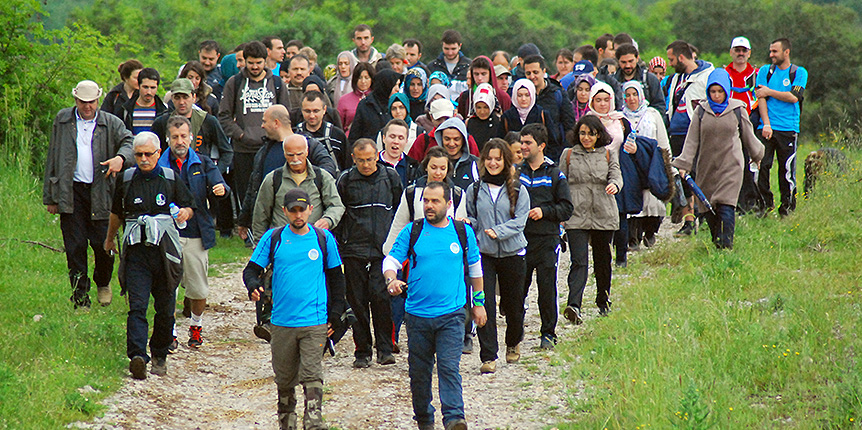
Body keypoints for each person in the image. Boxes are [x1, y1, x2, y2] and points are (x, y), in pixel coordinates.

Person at [383, 180, 486, 430]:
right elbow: (391, 260)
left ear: (448, 204)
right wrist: (391, 280)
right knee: (419, 374)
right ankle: (425, 420)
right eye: (426, 201)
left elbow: (475, 268)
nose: (429, 206)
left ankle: (454, 419)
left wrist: (479, 304)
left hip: (452, 315)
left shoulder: (463, 232)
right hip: (417, 317)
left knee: (449, 367)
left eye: (435, 201)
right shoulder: (412, 231)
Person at [242, 188, 347, 430]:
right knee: (285, 378)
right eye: (293, 210)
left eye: (302, 209)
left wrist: (336, 315)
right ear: (285, 212)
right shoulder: (273, 238)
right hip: (281, 322)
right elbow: (250, 270)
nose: (298, 215)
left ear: (311, 209)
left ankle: (313, 422)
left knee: (312, 373)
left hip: (315, 321)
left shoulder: (324, 239)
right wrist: (254, 286)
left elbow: (337, 278)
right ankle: (286, 423)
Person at [104, 132, 195, 379]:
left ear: (158, 153)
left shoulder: (170, 179)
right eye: (139, 154)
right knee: (137, 306)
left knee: (165, 310)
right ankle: (137, 356)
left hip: (165, 255)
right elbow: (116, 213)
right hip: (136, 254)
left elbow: (189, 205)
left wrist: (184, 213)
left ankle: (159, 354)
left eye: (148, 154)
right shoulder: (126, 180)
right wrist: (110, 238)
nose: (143, 159)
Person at [43, 80, 135, 309]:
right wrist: (51, 197)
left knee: (104, 245)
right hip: (71, 191)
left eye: (91, 102)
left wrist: (120, 159)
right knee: (74, 247)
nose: (87, 107)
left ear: (98, 101)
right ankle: (80, 298)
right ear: (76, 100)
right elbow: (52, 156)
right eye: (83, 102)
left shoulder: (111, 122)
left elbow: (130, 142)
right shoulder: (62, 120)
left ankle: (103, 282)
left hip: (101, 191)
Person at [248, 133, 345, 341]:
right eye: (290, 155)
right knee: (275, 290)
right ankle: (271, 325)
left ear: (307, 152)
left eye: (299, 154)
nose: (295, 159)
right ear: (284, 154)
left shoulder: (322, 177)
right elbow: (261, 214)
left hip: (313, 245)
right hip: (281, 246)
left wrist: (327, 221)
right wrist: (260, 247)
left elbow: (337, 205)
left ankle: (320, 328)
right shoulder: (273, 179)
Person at [383, 147, 469, 354]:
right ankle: (394, 337)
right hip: (415, 254)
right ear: (426, 167)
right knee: (403, 295)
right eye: (434, 167)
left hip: (447, 255)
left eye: (442, 168)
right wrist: (390, 254)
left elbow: (462, 226)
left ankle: (458, 336)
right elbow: (400, 223)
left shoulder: (457, 194)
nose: (438, 172)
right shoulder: (412, 192)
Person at [156, 116, 230, 348]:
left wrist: (221, 189)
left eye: (184, 136)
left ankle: (196, 325)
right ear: (168, 138)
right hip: (167, 232)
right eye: (175, 137)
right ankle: (171, 330)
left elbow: (222, 187)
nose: (180, 141)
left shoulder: (204, 163)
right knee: (170, 286)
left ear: (192, 138)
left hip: (197, 231)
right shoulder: (159, 164)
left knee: (198, 288)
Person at [673, 69, 765, 248]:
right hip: (707, 167)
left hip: (731, 166)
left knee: (726, 205)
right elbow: (692, 140)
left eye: (720, 91)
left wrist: (757, 155)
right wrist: (684, 164)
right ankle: (717, 242)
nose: (716, 96)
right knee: (707, 207)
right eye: (712, 91)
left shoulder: (737, 109)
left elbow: (748, 135)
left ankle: (726, 245)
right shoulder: (701, 111)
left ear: (727, 90)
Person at [335, 139, 403, 368]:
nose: (366, 164)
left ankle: (385, 348)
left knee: (381, 298)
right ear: (354, 158)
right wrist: (341, 242)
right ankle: (362, 350)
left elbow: (398, 209)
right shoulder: (345, 180)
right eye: (361, 160)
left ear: (377, 157)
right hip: (353, 249)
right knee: (357, 301)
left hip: (382, 250)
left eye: (370, 159)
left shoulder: (390, 177)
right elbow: (338, 212)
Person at [465, 139, 529, 373]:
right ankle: (488, 356)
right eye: (489, 158)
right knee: (484, 303)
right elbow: (472, 217)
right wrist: (471, 226)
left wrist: (498, 231)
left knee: (514, 304)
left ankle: (513, 342)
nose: (493, 163)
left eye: (498, 159)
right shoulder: (474, 189)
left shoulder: (519, 189)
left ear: (506, 161)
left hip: (512, 251)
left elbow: (520, 221)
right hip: (484, 254)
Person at [152, 78, 233, 240]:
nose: (182, 102)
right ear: (172, 99)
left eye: (185, 97)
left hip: (200, 178)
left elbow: (227, 151)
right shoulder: (162, 122)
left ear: (193, 97)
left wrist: (215, 175)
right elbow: (154, 150)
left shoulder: (208, 121)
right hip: (171, 177)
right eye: (177, 98)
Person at [560, 115, 621, 323]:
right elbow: (561, 182)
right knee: (579, 260)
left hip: (603, 211)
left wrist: (615, 185)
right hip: (576, 213)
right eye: (583, 133)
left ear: (599, 135)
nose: (586, 137)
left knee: (603, 259)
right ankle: (573, 304)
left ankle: (603, 300)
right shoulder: (568, 155)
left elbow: (616, 175)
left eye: (591, 134)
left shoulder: (608, 154)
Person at [517, 123, 573, 349]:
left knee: (546, 288)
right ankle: (515, 333)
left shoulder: (554, 174)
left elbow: (567, 208)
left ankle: (548, 333)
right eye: (521, 142)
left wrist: (545, 212)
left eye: (528, 143)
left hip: (547, 239)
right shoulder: (515, 173)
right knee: (518, 288)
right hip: (520, 240)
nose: (523, 147)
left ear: (541, 146)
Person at [218, 40, 288, 210]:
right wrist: (241, 135)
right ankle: (247, 232)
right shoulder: (234, 83)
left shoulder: (278, 83)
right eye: (251, 63)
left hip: (272, 148)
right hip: (243, 150)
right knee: (247, 196)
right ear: (245, 61)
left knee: (275, 193)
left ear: (266, 60)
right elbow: (224, 116)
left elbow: (286, 115)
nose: (255, 67)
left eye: (258, 63)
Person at [665, 40, 715, 236]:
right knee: (682, 176)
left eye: (671, 59)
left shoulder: (706, 76)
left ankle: (704, 216)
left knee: (700, 175)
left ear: (681, 57)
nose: (670, 63)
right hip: (676, 133)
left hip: (696, 132)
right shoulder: (676, 78)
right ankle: (688, 220)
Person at [754, 38, 807, 217]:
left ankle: (787, 209)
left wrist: (769, 92)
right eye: (770, 51)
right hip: (767, 127)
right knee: (761, 166)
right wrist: (766, 123)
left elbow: (794, 96)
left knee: (786, 170)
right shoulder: (764, 71)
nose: (771, 55)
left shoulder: (799, 72)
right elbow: (760, 97)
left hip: (789, 127)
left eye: (775, 51)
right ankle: (764, 205)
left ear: (786, 52)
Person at [587, 82, 637, 267]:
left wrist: (633, 149)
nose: (602, 104)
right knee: (598, 217)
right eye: (598, 100)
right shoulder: (588, 121)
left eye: (605, 99)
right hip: (593, 172)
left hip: (618, 170)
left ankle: (621, 256)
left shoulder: (621, 121)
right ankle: (601, 259)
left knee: (620, 213)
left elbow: (632, 141)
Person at [621, 80, 670, 249]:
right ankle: (633, 237)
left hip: (651, 161)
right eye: (627, 95)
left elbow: (662, 140)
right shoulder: (620, 116)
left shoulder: (652, 114)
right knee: (634, 196)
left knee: (652, 197)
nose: (632, 99)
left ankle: (650, 231)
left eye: (635, 94)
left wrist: (668, 164)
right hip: (630, 163)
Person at [522, 55, 576, 162]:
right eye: (528, 73)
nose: (532, 76)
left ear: (543, 71)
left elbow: (569, 125)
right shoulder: (521, 95)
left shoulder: (557, 93)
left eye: (535, 72)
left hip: (554, 154)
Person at [297, 91, 349, 171]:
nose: (312, 115)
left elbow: (347, 166)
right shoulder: (295, 135)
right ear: (301, 110)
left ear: (324, 109)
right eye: (307, 111)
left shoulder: (337, 135)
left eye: (316, 111)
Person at [348, 69, 402, 144]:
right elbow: (354, 136)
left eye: (398, 85)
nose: (397, 89)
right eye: (394, 85)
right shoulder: (365, 105)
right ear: (386, 85)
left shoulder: (398, 105)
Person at [613, 43, 666, 113]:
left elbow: (659, 106)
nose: (628, 65)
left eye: (630, 61)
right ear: (618, 61)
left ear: (637, 59)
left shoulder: (649, 79)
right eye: (623, 62)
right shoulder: (612, 81)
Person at [116, 67, 167, 135]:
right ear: (139, 86)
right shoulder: (125, 110)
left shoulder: (163, 111)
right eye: (145, 87)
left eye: (152, 88)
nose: (149, 92)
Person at [435, 117, 480, 190]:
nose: (452, 144)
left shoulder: (476, 164)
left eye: (456, 139)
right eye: (447, 139)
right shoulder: (432, 163)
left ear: (463, 140)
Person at [427, 29, 471, 98]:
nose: (450, 53)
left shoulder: (469, 66)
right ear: (442, 46)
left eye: (453, 49)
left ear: (460, 46)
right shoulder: (432, 66)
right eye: (446, 49)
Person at [378, 118, 420, 187]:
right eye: (392, 136)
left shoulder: (414, 167)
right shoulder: (372, 163)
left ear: (406, 141)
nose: (396, 141)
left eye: (400, 138)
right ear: (384, 138)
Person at [337, 62, 374, 133]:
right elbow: (339, 126)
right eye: (360, 78)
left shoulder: (377, 99)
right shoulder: (344, 100)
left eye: (366, 78)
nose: (363, 81)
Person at [465, 83, 503, 151]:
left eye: (486, 107)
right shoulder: (469, 122)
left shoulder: (499, 121)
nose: (482, 112)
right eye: (479, 107)